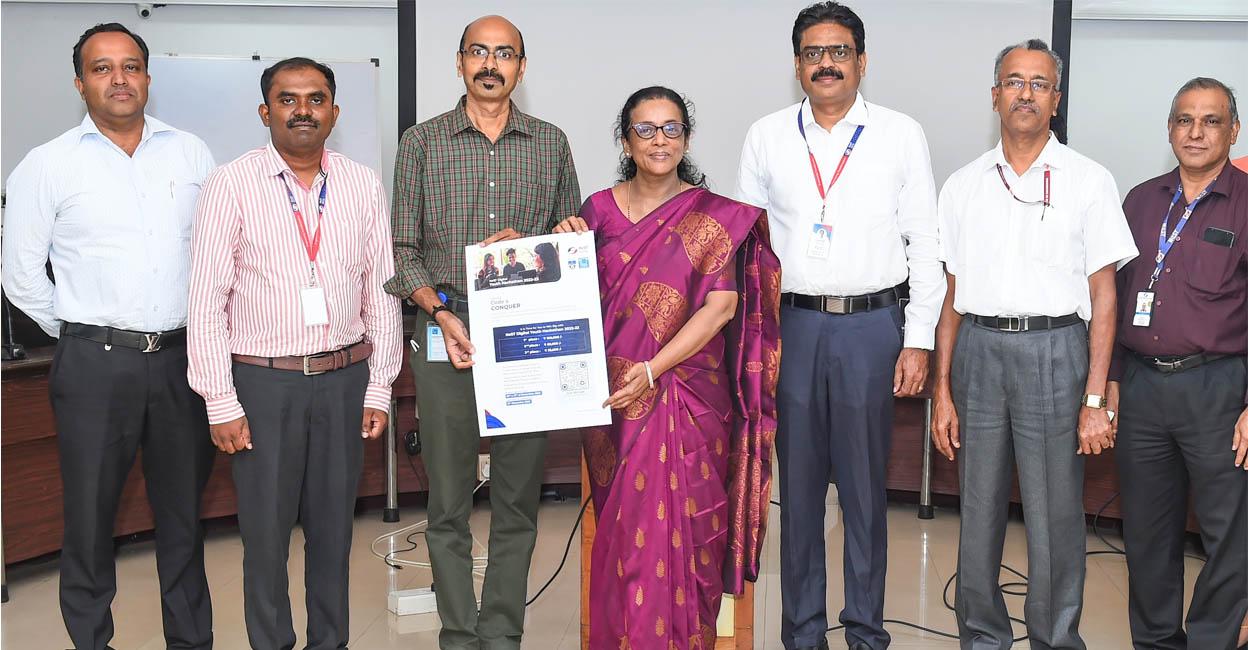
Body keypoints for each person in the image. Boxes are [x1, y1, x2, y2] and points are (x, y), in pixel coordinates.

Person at [734, 3, 945, 649]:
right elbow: (747, 249)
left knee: (862, 494)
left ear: (861, 60)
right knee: (796, 496)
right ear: (797, 64)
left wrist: (917, 338)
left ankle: (865, 632)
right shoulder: (766, 135)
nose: (827, 63)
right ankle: (801, 633)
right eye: (813, 53)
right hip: (791, 330)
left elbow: (924, 241)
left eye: (840, 51)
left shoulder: (900, 134)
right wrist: (752, 343)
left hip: (870, 329)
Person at [1, 23, 216, 650]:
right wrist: (83, 333)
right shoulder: (46, 164)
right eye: (102, 68)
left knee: (183, 521)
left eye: (130, 66)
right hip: (94, 366)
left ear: (147, 77)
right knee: (90, 522)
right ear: (80, 82)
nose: (118, 79)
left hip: (182, 362)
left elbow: (212, 255)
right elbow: (20, 276)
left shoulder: (191, 153)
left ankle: (191, 641)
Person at [553, 84, 780, 650]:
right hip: (613, 403)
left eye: (672, 128)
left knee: (686, 537)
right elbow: (569, 301)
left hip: (686, 394)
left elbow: (722, 306)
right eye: (646, 129)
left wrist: (653, 369)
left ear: (686, 137)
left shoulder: (711, 217)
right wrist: (557, 245)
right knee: (629, 536)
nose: (660, 140)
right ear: (626, 140)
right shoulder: (596, 212)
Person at [186, 57, 402, 650]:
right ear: (266, 111)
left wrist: (379, 384)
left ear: (333, 111)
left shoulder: (361, 183)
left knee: (333, 535)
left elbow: (381, 290)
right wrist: (219, 400)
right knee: (265, 536)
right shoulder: (231, 182)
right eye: (288, 99)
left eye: (315, 98)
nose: (302, 110)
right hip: (262, 385)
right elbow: (205, 299)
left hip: (344, 378)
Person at [930, 39, 1138, 650]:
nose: (1025, 93)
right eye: (1013, 82)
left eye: (1038, 83)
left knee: (1054, 517)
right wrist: (941, 390)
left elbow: (1105, 298)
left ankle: (1054, 638)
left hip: (1057, 351)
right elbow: (951, 296)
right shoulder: (963, 185)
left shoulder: (1089, 180)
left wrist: (1095, 396)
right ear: (994, 96)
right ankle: (983, 637)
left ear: (1056, 98)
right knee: (978, 512)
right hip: (979, 352)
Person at [384, 15, 581, 650]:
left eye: (504, 54)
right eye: (478, 52)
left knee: (517, 498)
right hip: (446, 328)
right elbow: (403, 249)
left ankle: (501, 633)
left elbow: (570, 240)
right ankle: (459, 635)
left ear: (522, 68)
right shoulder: (422, 142)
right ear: (460, 62)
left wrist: (537, 246)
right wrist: (439, 309)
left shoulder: (550, 143)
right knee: (447, 501)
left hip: (526, 332)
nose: (490, 64)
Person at [1107, 77, 1247, 650]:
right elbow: (1113, 298)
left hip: (1218, 389)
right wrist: (1110, 380)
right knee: (1146, 533)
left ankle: (1213, 639)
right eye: (1184, 120)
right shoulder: (1141, 200)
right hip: (1141, 388)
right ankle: (1158, 641)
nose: (1196, 132)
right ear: (1169, 130)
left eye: (1211, 120)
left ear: (1232, 131)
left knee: (1229, 536)